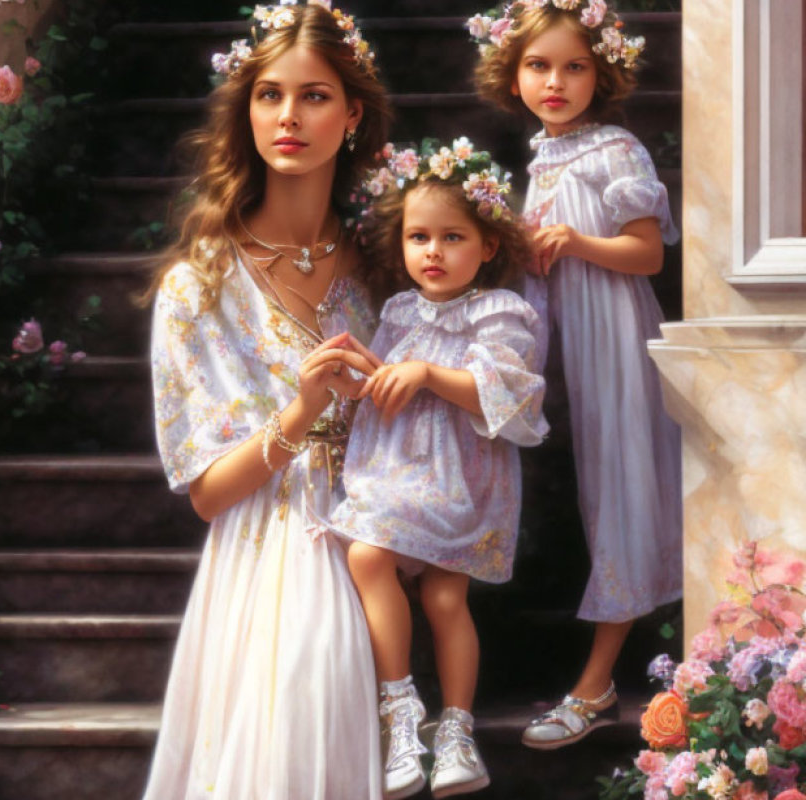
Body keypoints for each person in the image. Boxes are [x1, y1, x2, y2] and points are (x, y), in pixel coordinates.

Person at [142, 3, 393, 798]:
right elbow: (210, 495)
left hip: (389, 543)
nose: (289, 117)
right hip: (268, 558)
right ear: (245, 110)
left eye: (315, 95)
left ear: (352, 113)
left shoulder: (394, 269)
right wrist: (301, 412)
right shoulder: (198, 288)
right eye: (269, 95)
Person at [470, 0, 683, 749]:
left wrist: (575, 241)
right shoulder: (544, 152)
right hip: (569, 336)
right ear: (513, 73)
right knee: (593, 485)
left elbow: (648, 255)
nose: (554, 81)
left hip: (616, 335)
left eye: (573, 66)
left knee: (622, 482)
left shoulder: (615, 148)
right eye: (538, 65)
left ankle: (595, 689)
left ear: (602, 73)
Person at [327, 141, 548, 798]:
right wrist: (363, 372)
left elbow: (504, 396)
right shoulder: (397, 313)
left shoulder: (500, 313)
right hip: (399, 468)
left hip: (463, 477)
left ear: (486, 246)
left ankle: (455, 730)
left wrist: (426, 372)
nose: (433, 251)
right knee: (368, 558)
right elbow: (388, 386)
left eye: (453, 237)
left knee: (446, 595)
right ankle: (401, 714)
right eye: (419, 237)